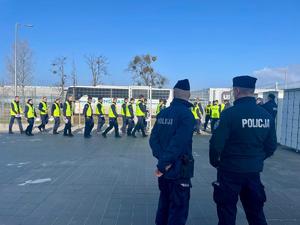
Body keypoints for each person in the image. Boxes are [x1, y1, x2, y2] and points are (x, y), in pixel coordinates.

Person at [209, 75, 277, 225]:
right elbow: (272, 145)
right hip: (253, 173)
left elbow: (216, 145)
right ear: (252, 90)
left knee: (227, 213)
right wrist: (257, 159)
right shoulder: (266, 116)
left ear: (236, 90)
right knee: (256, 214)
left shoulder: (228, 114)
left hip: (229, 172)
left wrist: (216, 163)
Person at [149, 79, 195, 225]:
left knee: (164, 205)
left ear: (174, 94)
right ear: (188, 94)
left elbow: (153, 139)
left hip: (163, 171)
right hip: (179, 171)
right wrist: (165, 163)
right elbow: (178, 143)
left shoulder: (163, 113)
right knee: (178, 211)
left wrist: (161, 160)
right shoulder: (187, 115)